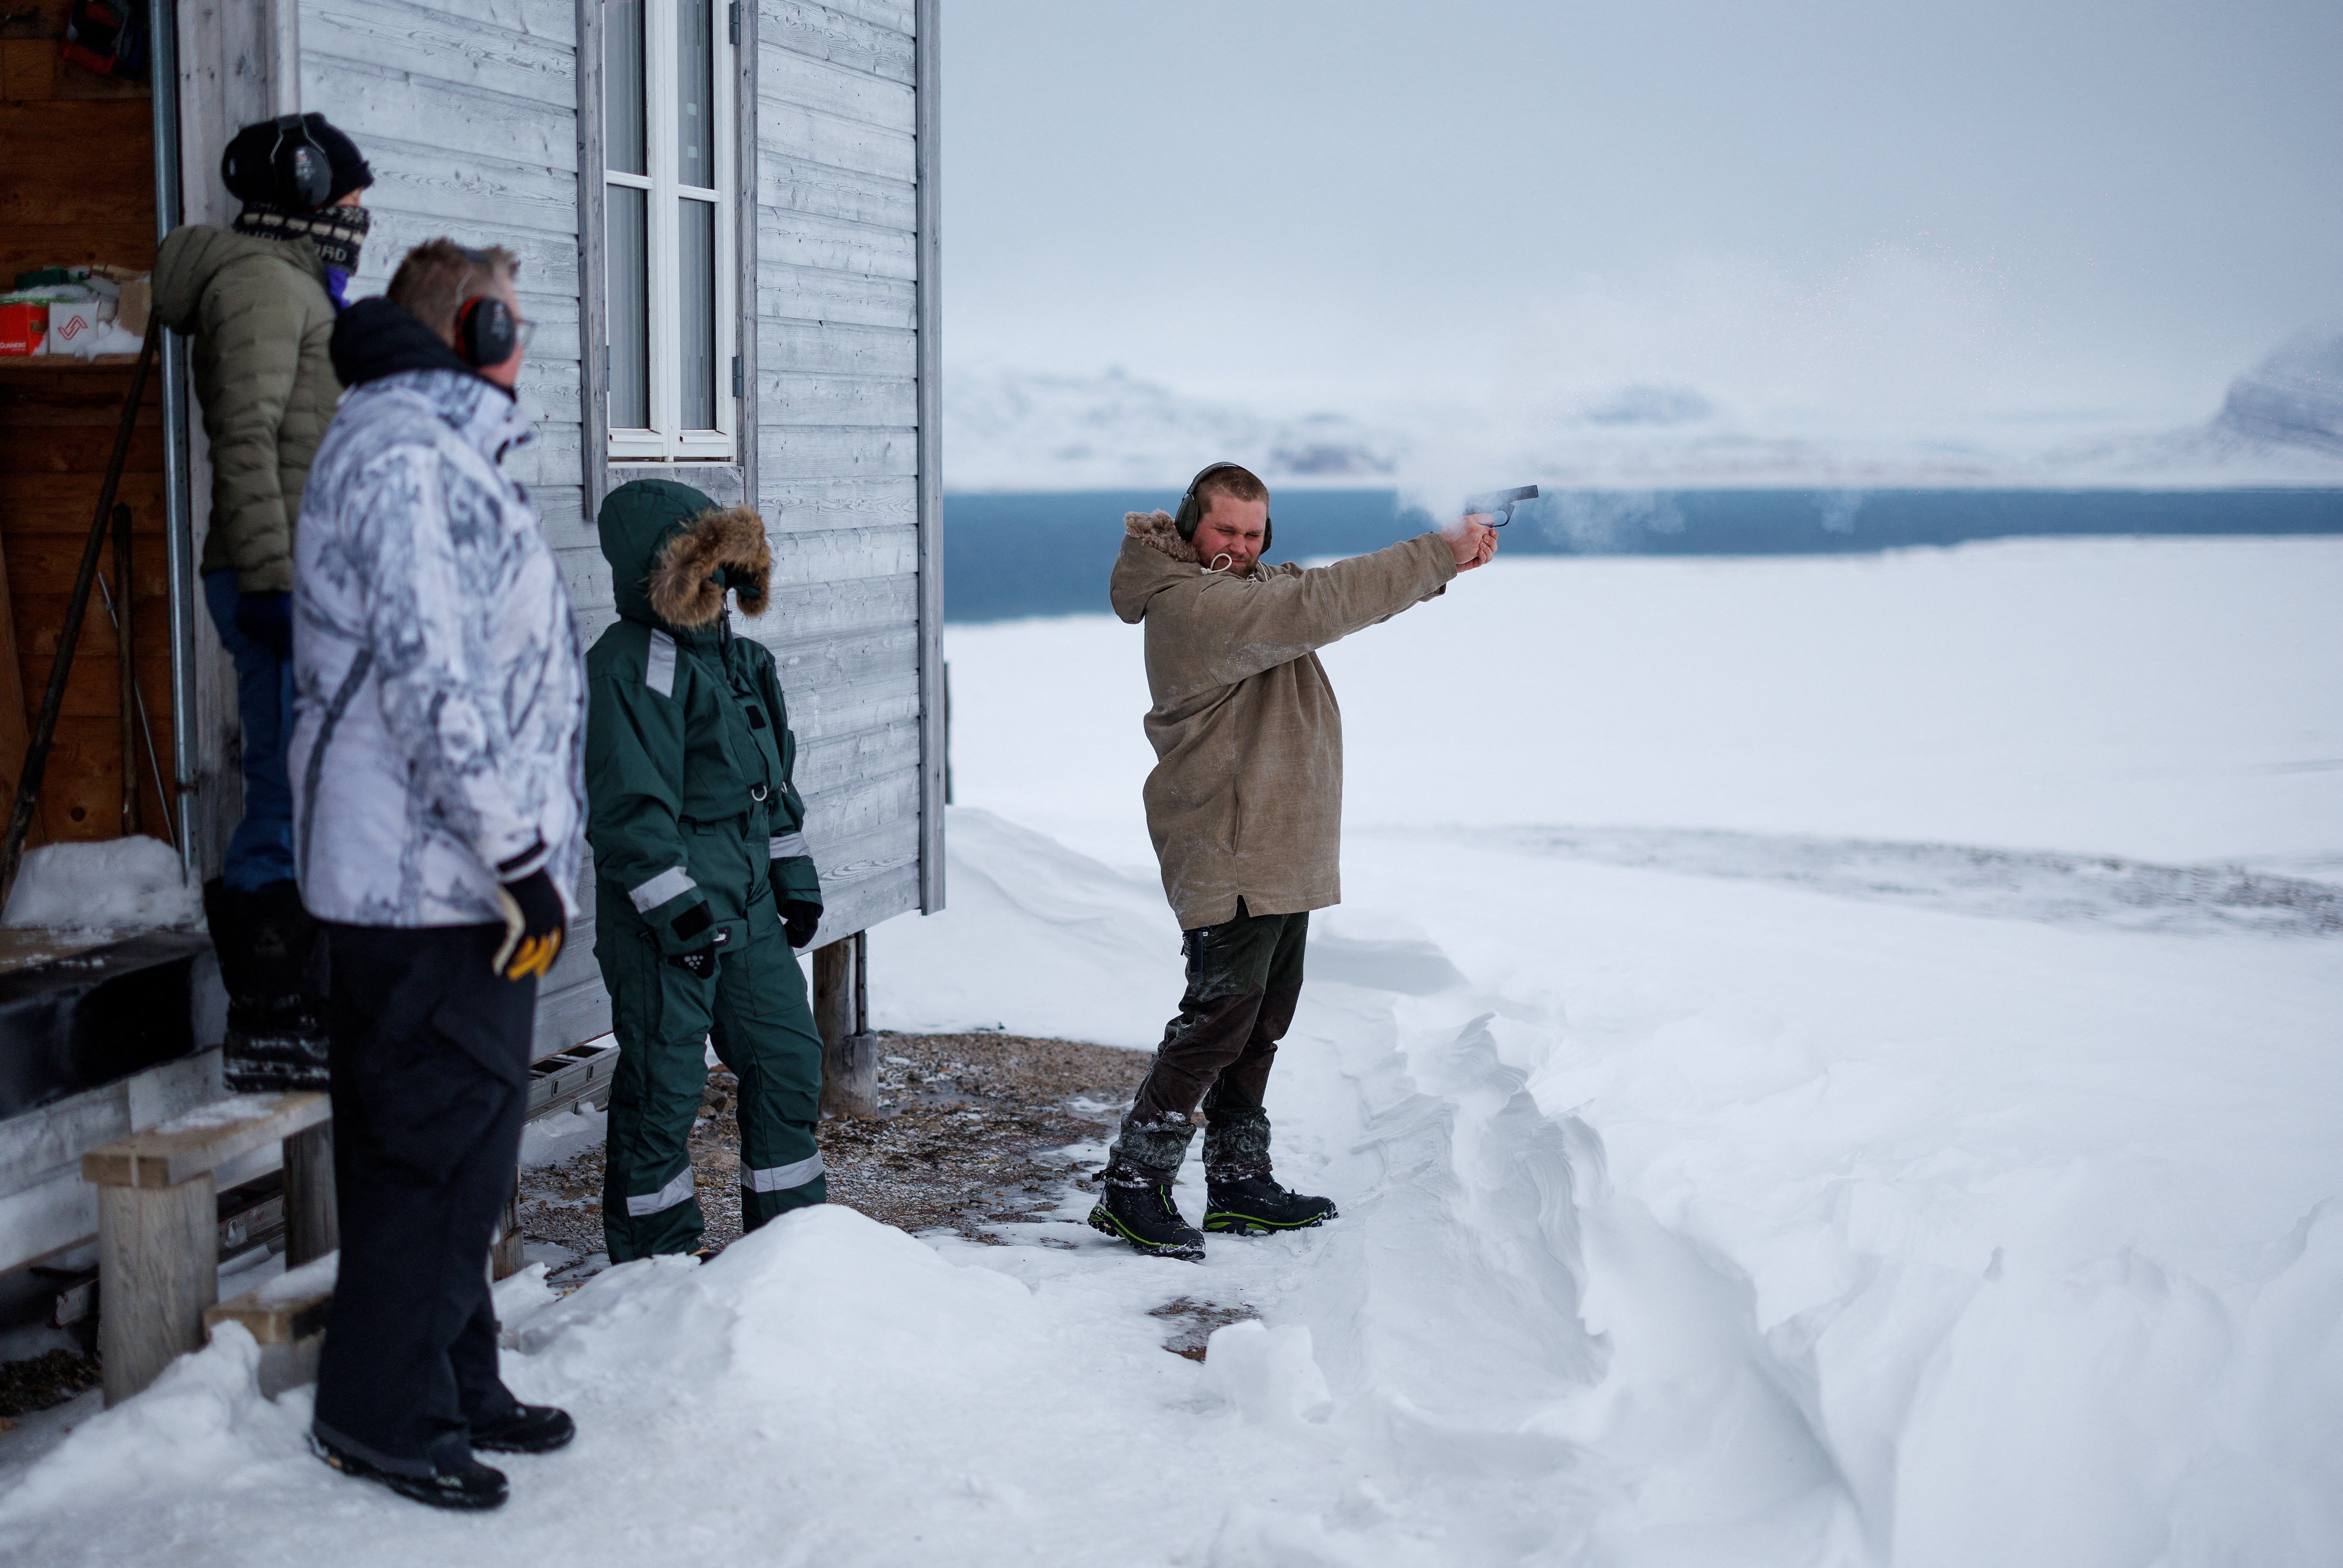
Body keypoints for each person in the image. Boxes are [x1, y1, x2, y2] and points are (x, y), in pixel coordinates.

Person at [288, 238, 586, 1509]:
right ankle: (378, 1413)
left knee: (470, 1139)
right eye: (511, 321)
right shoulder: (408, 460)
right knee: (425, 1144)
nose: (525, 347)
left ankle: (456, 1375)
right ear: (468, 329)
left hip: (453, 874)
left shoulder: (437, 447)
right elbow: (429, 673)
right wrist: (516, 858)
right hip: (429, 880)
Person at [1093, 463, 1498, 1260]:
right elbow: (1322, 602)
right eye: (1224, 532)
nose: (1240, 548)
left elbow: (1329, 600)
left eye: (1252, 534)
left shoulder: (1244, 597)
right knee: (1217, 1024)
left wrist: (1443, 564)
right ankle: (1132, 1187)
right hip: (1232, 849)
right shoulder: (1195, 606)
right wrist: (1439, 554)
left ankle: (1240, 1180)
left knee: (1260, 1024)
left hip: (1274, 847)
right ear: (1188, 527)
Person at [153, 112, 375, 1091]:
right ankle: (270, 1016)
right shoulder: (259, 287)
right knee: (287, 793)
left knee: (316, 787)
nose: (362, 218)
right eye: (352, 199)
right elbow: (241, 440)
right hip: (270, 580)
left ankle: (307, 1004)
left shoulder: (295, 288)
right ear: (307, 190)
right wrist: (272, 584)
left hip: (303, 576)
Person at [585, 479, 829, 1261]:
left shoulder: (744, 663)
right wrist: (677, 915)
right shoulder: (632, 666)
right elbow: (631, 813)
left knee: (788, 1063)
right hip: (668, 920)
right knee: (664, 1093)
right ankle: (656, 1270)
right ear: (670, 575)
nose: (725, 589)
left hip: (750, 904)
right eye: (710, 573)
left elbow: (772, 791)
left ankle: (790, 1253)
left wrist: (793, 879)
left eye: (733, 572)